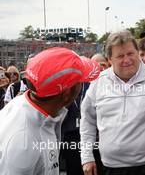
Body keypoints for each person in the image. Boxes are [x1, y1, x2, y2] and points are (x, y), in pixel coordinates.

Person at [80, 30, 145, 175]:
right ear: (109, 59)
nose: (127, 60)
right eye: (120, 56)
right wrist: (87, 156)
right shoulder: (98, 83)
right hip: (109, 168)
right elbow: (87, 120)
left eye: (131, 54)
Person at [0, 47, 100, 175]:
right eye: (80, 81)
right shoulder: (23, 145)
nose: (83, 86)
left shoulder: (27, 104)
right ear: (67, 93)